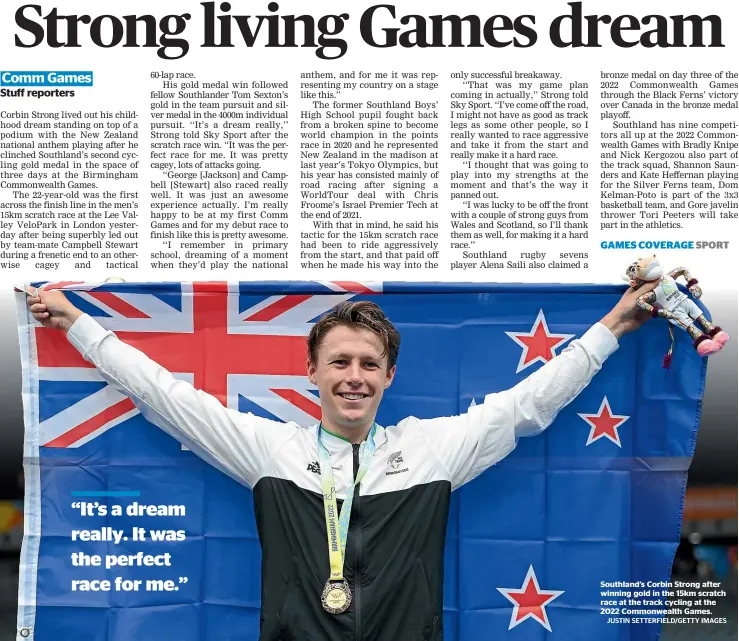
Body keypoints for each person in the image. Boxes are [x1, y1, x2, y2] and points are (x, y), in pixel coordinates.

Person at [26, 282, 656, 641]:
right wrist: (78, 324)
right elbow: (164, 396)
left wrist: (615, 324)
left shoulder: (430, 451)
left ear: (388, 377)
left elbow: (530, 404)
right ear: (312, 373)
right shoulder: (272, 450)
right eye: (340, 362)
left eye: (368, 365)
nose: (354, 377)